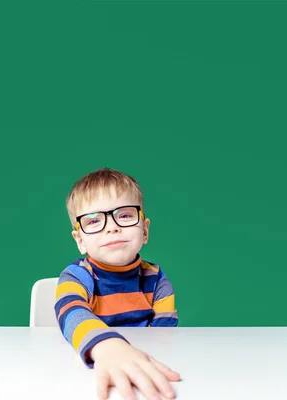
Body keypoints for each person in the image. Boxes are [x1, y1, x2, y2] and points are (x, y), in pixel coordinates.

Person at [54, 167, 180, 400]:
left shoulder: (157, 280)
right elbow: (70, 312)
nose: (112, 227)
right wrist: (107, 346)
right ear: (80, 240)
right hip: (87, 371)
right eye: (93, 221)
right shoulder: (76, 276)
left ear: (144, 230)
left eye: (124, 215)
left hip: (143, 368)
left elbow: (164, 339)